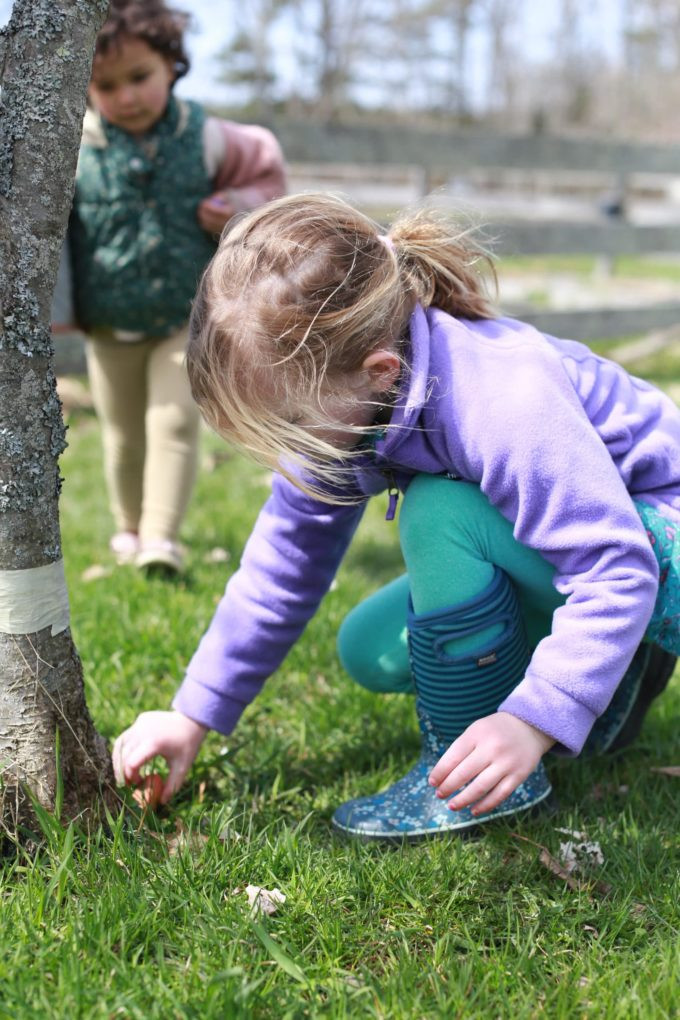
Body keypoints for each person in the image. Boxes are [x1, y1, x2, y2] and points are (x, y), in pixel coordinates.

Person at [112, 193, 679, 840]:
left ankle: (486, 770)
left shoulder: (501, 398)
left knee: (437, 512)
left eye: (293, 424)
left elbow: (616, 566)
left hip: (654, 555)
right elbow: (283, 568)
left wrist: (534, 720)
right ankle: (612, 678)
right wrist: (192, 716)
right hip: (586, 560)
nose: (290, 451)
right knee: (370, 650)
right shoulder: (349, 415)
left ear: (379, 373)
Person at [55, 0, 286, 573]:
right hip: (108, 321)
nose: (127, 96)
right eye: (106, 85)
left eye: (140, 77)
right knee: (123, 434)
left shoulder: (204, 135)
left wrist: (236, 206)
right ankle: (128, 529)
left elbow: (265, 173)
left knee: (174, 421)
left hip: (186, 313)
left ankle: (162, 539)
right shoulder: (73, 145)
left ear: (171, 66)